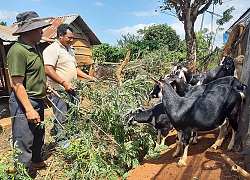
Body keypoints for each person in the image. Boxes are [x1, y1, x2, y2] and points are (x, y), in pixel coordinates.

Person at [7, 11, 51, 171]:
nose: (42, 32)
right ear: (28, 30)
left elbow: (34, 74)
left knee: (38, 134)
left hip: (37, 99)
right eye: (38, 29)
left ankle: (37, 161)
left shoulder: (36, 47)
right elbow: (17, 84)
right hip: (24, 102)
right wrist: (29, 109)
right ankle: (21, 173)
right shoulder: (18, 51)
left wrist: (43, 85)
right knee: (24, 139)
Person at [43, 23, 95, 147]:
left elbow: (74, 68)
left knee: (74, 113)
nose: (72, 40)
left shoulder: (70, 50)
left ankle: (72, 134)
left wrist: (89, 77)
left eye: (73, 38)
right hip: (60, 89)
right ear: (60, 35)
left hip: (73, 87)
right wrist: (64, 83)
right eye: (69, 38)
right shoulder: (52, 49)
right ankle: (62, 140)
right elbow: (48, 69)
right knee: (62, 115)